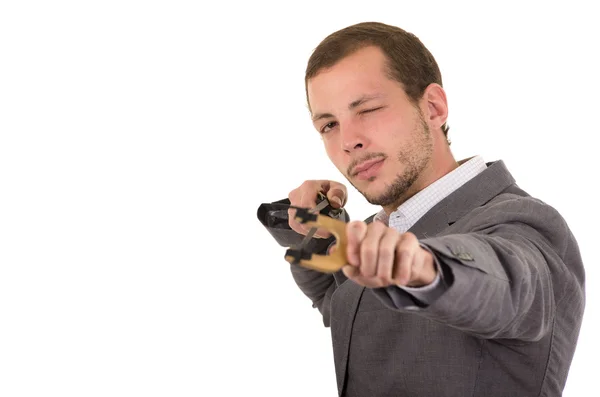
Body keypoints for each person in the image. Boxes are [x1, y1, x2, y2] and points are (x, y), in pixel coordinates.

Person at [258, 21, 585, 396]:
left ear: (433, 107)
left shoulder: (525, 224)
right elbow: (335, 298)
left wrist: (422, 267)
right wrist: (320, 224)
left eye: (367, 109)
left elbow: (503, 281)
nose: (349, 141)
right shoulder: (385, 231)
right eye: (329, 124)